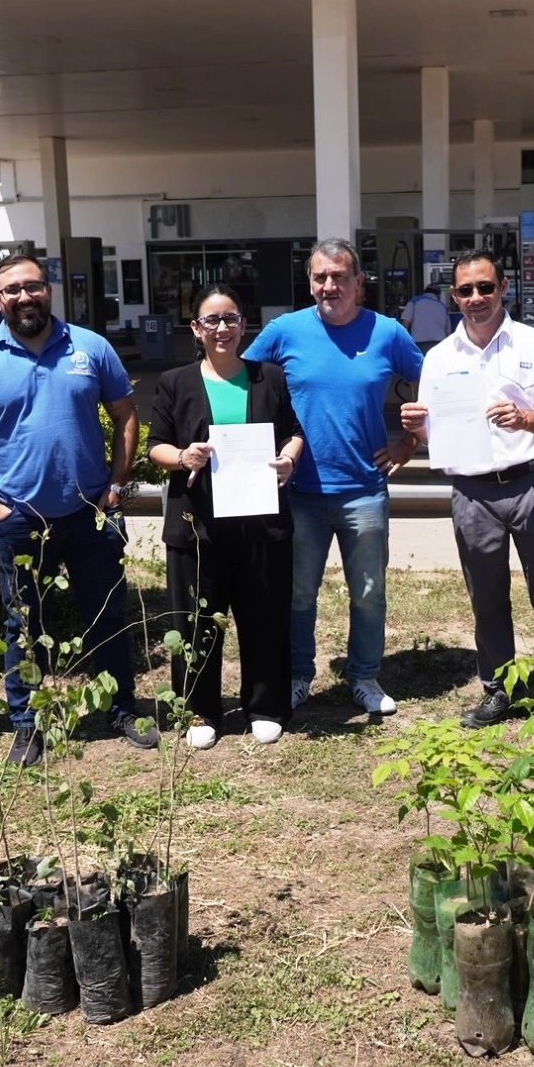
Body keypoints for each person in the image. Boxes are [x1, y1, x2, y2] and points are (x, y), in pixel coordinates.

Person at [0, 254, 156, 767]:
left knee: (107, 617)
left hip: (90, 513)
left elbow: (126, 414)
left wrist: (117, 483)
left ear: (49, 291)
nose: (23, 297)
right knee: (23, 627)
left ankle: (122, 708)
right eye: (12, 290)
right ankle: (27, 725)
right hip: (18, 520)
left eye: (32, 287)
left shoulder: (91, 348)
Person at [399, 250, 534, 727]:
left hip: (530, 483)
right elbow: (434, 436)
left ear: (503, 287)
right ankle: (499, 689)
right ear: (454, 296)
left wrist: (526, 419)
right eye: (465, 290)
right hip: (472, 492)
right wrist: (416, 426)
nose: (476, 298)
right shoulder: (438, 359)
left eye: (485, 287)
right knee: (486, 594)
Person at [244, 238, 424, 717]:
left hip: (364, 489)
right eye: (320, 277)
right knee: (299, 593)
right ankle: (299, 674)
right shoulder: (285, 331)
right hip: (299, 492)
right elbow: (243, 381)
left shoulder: (387, 334)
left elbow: (430, 382)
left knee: (368, 593)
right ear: (310, 283)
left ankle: (364, 676)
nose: (329, 285)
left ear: (359, 283)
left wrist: (410, 442)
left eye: (339, 276)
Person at [147, 284, 305, 748]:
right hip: (198, 524)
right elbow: (155, 444)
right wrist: (183, 456)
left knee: (265, 614)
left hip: (261, 522)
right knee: (196, 621)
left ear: (244, 325)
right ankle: (200, 710)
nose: (222, 328)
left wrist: (288, 460)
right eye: (211, 320)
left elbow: (293, 433)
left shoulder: (268, 377)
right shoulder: (175, 382)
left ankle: (265, 704)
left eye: (231, 319)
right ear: (195, 328)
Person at [401, 284, 453, 353]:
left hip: (419, 344)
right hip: (439, 344)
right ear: (438, 294)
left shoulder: (414, 301)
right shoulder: (443, 306)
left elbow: (405, 323)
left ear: (425, 292)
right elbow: (448, 331)